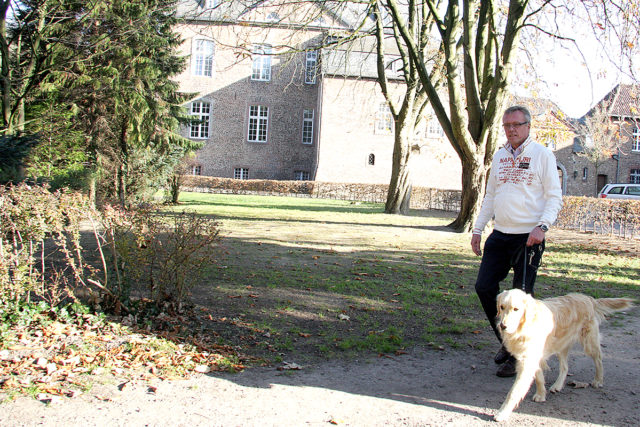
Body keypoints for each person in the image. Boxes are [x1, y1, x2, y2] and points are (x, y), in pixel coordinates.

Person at [470, 105, 563, 377]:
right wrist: (478, 229)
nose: (511, 130)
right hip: (500, 235)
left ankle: (518, 355)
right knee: (485, 287)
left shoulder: (542, 155)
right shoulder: (499, 157)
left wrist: (542, 226)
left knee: (520, 299)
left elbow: (554, 197)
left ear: (528, 126)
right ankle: (507, 343)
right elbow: (490, 197)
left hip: (528, 238)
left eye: (516, 125)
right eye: (507, 125)